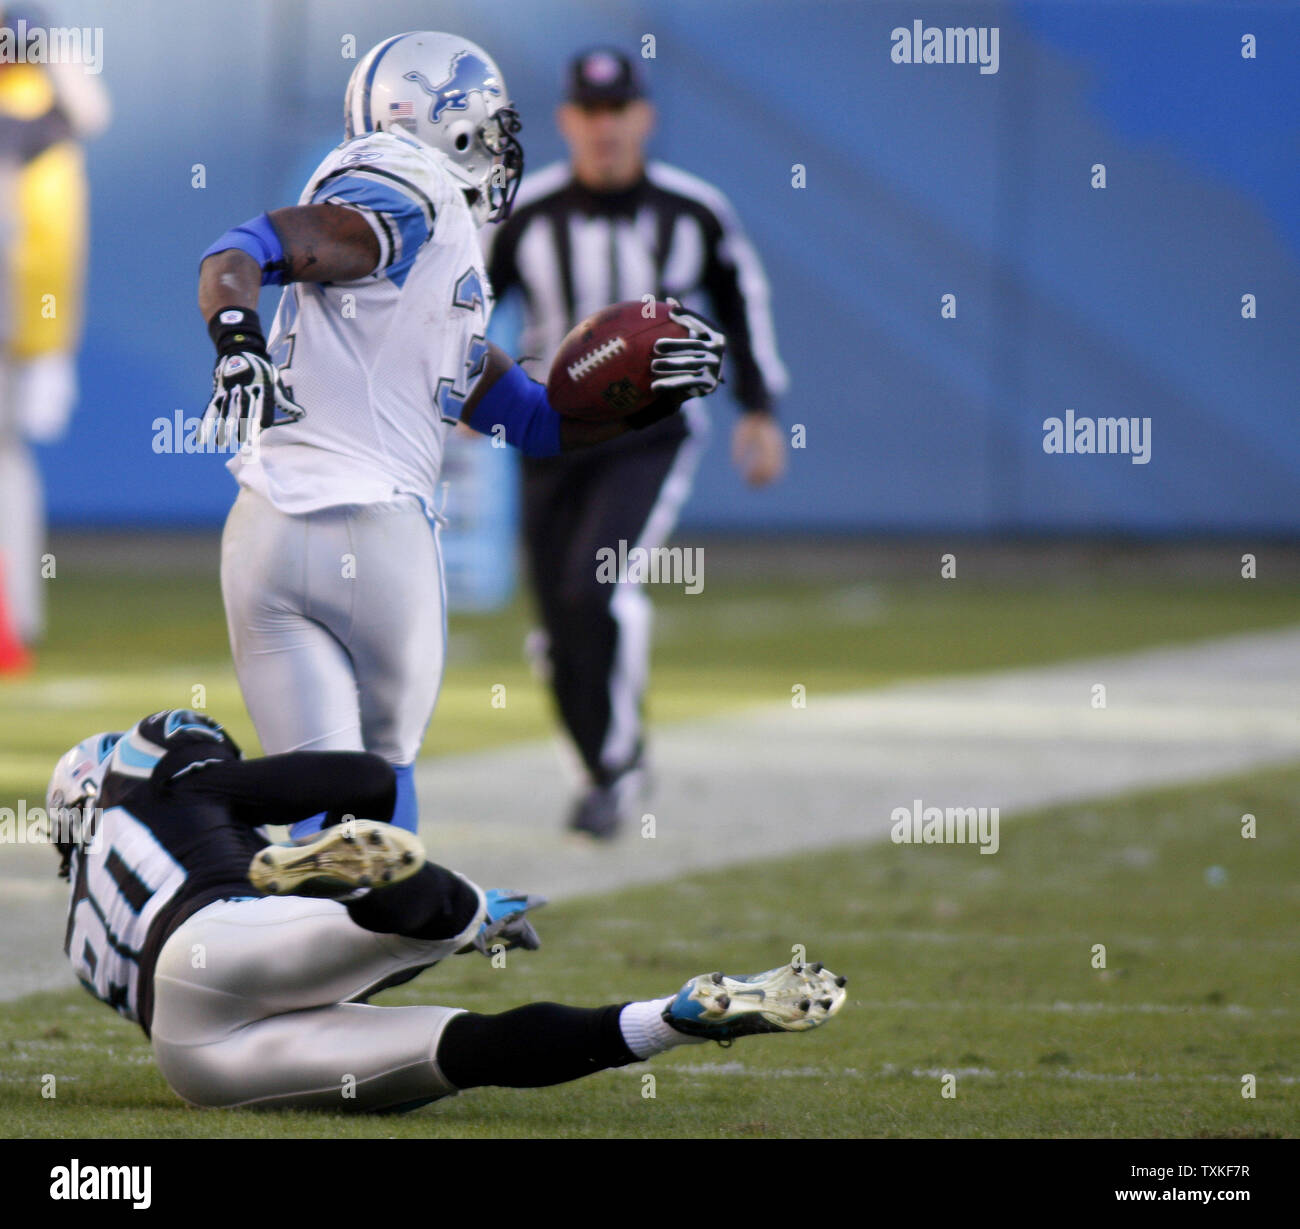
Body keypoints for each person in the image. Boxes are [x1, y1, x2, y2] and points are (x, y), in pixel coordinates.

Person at [196, 32, 725, 838]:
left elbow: (538, 422)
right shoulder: (411, 192)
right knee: (381, 810)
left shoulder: (439, 255)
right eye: (489, 121)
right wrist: (236, 336)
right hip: (375, 533)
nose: (504, 142)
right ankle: (370, 921)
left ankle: (189, 834)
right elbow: (248, 246)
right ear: (447, 121)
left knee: (319, 816)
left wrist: (646, 399)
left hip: (264, 533)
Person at [45, 709, 847, 1112]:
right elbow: (361, 772)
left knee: (467, 1044)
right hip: (216, 932)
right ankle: (426, 904)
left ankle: (671, 1018)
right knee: (428, 931)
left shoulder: (84, 925)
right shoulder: (172, 774)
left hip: (195, 1056)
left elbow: (310, 982)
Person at [484, 47, 789, 838]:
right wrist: (452, 394)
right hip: (548, 432)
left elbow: (740, 299)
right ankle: (599, 766)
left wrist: (758, 408)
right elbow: (464, 309)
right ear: (567, 121)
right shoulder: (528, 211)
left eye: (619, 110)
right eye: (590, 111)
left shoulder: (694, 210)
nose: (605, 127)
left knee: (597, 586)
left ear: (644, 117)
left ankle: (616, 762)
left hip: (650, 432)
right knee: (556, 625)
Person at [0, 6, 109, 667]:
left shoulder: (34, 77)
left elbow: (90, 109)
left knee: (10, 453)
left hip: (30, 301)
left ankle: (16, 617)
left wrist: (40, 34)